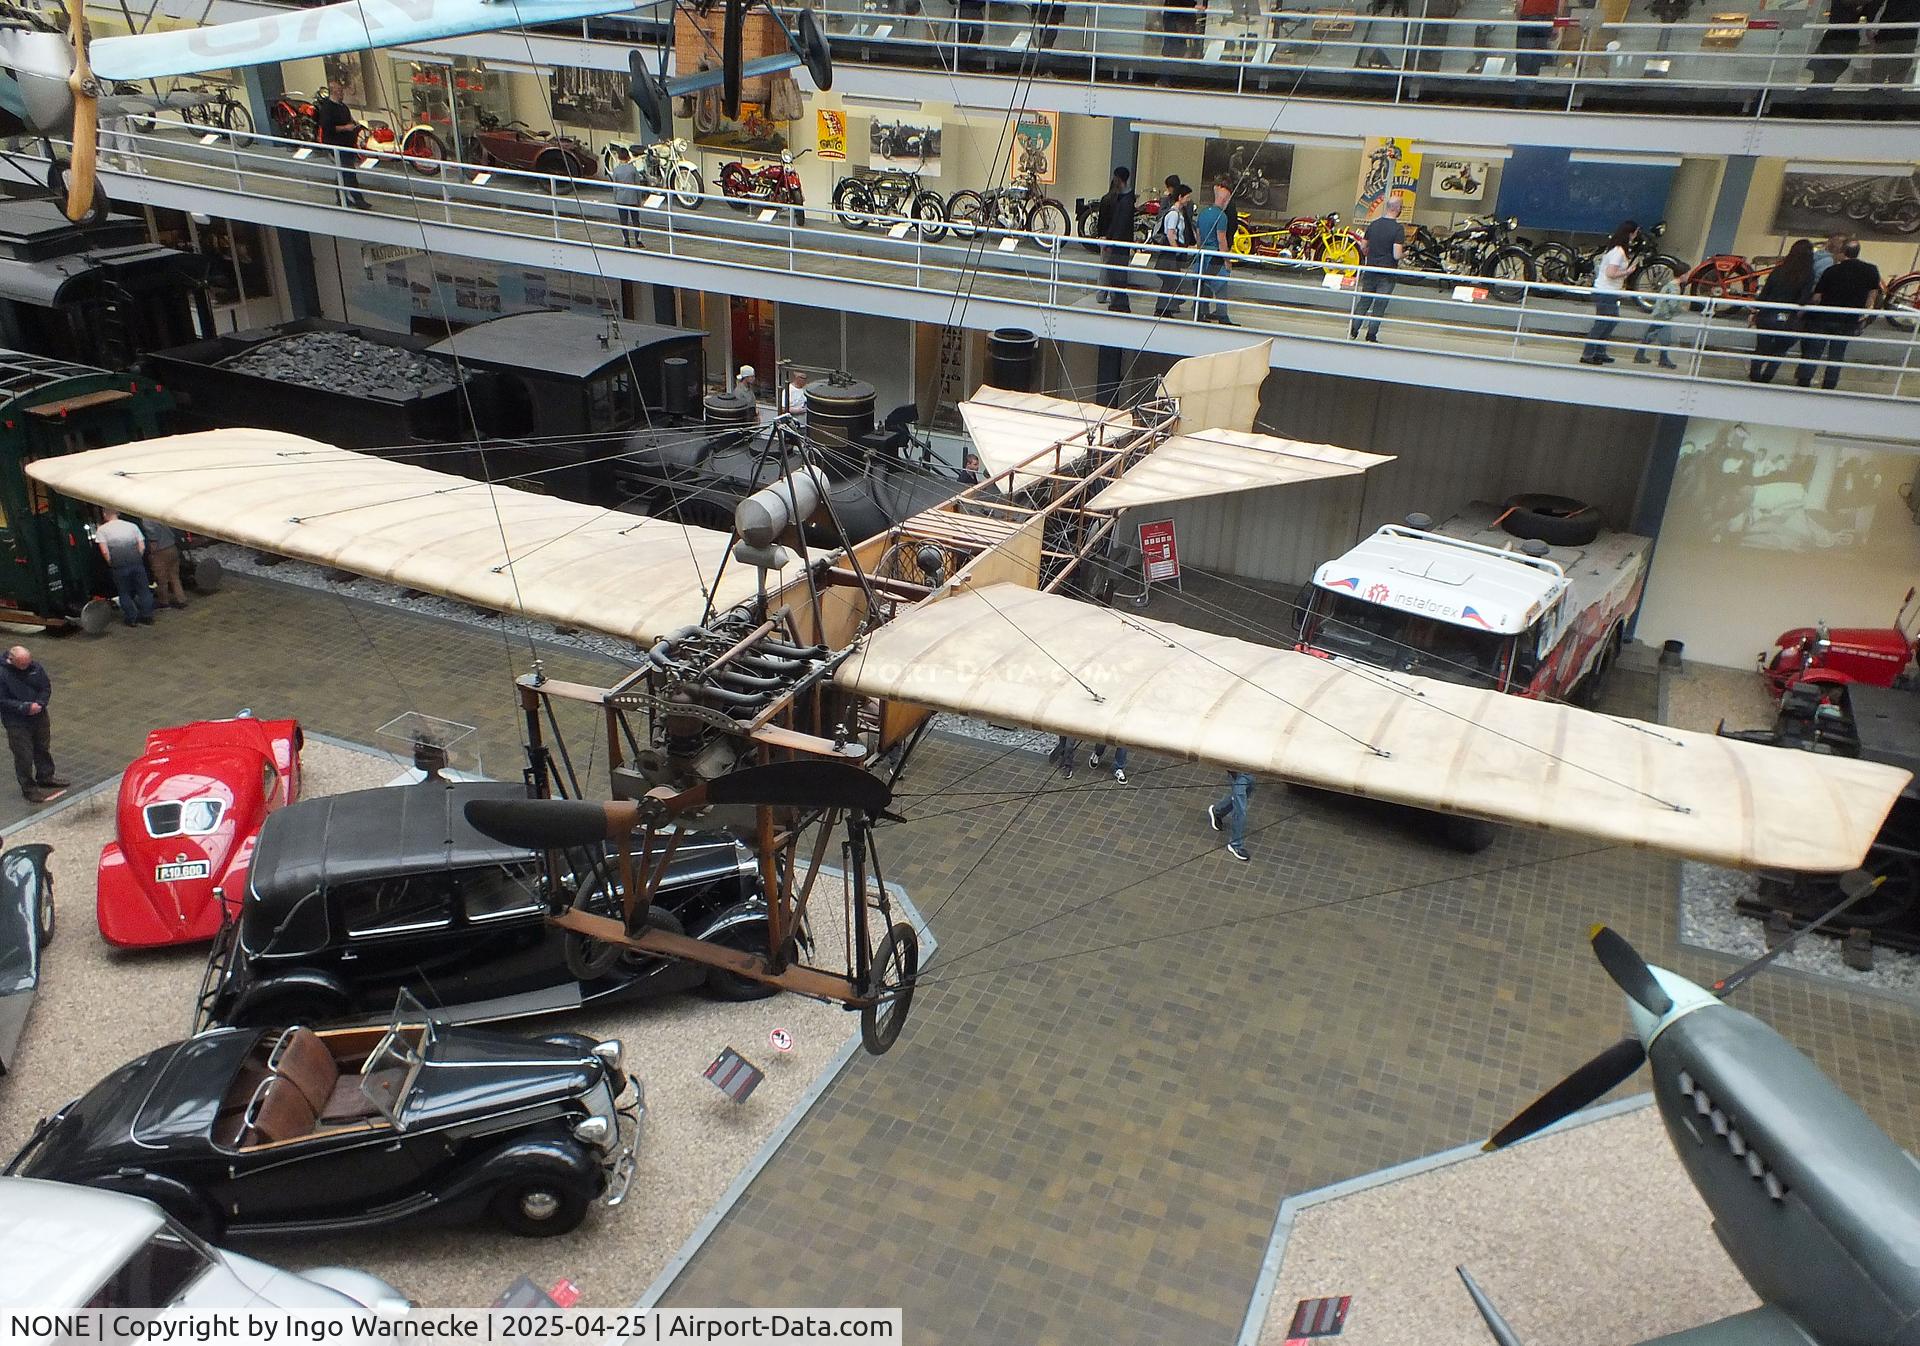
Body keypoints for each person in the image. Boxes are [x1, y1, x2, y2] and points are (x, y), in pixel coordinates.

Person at [1796, 240, 1882, 389]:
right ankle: (1830, 383)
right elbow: (1872, 297)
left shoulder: (1831, 271)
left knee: (1813, 352)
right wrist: (1865, 314)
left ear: (1843, 253)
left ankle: (1804, 381)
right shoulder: (1871, 270)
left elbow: (1817, 297)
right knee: (1837, 354)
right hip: (1849, 319)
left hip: (1824, 317)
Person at [1, 646, 67, 804]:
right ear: (11, 660)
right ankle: (29, 789)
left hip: (39, 716)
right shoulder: (3, 674)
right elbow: (2, 701)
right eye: (22, 665)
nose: (26, 667)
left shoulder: (35, 668)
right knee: (23, 755)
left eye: (28, 663)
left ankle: (46, 776)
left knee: (42, 748)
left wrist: (40, 703)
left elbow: (45, 687)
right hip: (17, 722)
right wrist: (24, 707)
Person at [1748, 238, 1815, 383]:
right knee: (1780, 349)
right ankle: (1767, 377)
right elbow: (1803, 299)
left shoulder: (1778, 270)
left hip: (1767, 314)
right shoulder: (1808, 274)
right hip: (1788, 317)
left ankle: (1755, 373)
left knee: (1761, 346)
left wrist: (1755, 310)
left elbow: (1765, 292)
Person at [1579, 220, 1638, 365]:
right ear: (1631, 233)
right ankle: (1588, 353)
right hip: (1606, 291)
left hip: (1608, 290)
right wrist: (1627, 272)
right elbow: (1611, 273)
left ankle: (1599, 351)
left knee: (1610, 321)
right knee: (1603, 322)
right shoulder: (1618, 252)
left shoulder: (1616, 250)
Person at [1350, 195, 1405, 342]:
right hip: (1387, 273)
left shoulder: (1373, 225)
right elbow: (1396, 254)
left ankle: (1353, 329)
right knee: (1379, 305)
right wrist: (1406, 254)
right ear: (1398, 209)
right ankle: (1371, 335)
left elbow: (1363, 246)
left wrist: (1369, 253)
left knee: (1364, 300)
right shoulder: (1398, 229)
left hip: (1370, 269)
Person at [314, 80, 370, 211]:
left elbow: (348, 120)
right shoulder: (327, 108)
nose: (342, 93)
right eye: (339, 91)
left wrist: (355, 125)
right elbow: (327, 128)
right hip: (336, 146)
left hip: (347, 145)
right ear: (333, 92)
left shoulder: (343, 107)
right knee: (348, 172)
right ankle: (358, 199)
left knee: (344, 172)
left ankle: (341, 197)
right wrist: (346, 127)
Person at [95, 508, 153, 627]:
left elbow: (105, 551)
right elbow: (142, 546)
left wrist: (111, 562)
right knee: (143, 590)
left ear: (105, 514)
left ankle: (131, 618)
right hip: (136, 562)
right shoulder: (132, 526)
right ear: (118, 513)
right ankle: (147, 616)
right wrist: (137, 557)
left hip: (119, 565)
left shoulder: (102, 530)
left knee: (124, 592)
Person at [1192, 177, 1237, 324]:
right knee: (1221, 287)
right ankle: (1223, 316)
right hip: (1214, 257)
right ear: (1225, 199)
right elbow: (1221, 240)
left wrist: (1200, 250)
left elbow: (1198, 235)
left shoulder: (1203, 213)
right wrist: (1227, 260)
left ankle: (1199, 313)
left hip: (1202, 256)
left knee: (1202, 285)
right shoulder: (1222, 217)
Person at [1097, 167, 1137, 312]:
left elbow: (1117, 224)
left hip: (1117, 245)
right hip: (1119, 243)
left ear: (1117, 179)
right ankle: (1118, 302)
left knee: (1114, 273)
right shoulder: (1127, 199)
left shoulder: (1120, 200)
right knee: (1117, 274)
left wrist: (1109, 240)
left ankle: (1119, 303)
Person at [1153, 182, 1195, 317]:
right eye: (1187, 197)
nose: (1189, 200)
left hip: (1170, 254)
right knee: (1171, 281)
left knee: (1171, 281)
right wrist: (1177, 249)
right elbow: (1171, 234)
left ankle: (1165, 308)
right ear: (1180, 197)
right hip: (1170, 255)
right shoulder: (1174, 214)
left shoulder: (1177, 213)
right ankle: (1163, 308)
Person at [1809, 0, 1873, 82]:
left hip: (1843, 37)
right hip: (1838, 37)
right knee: (1826, 72)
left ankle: (1818, 87)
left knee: (1828, 72)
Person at [1633, 274, 1683, 368]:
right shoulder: (1675, 288)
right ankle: (1662, 359)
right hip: (1665, 315)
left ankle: (1641, 354)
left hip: (1659, 313)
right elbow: (1673, 303)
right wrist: (1678, 310)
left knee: (1652, 333)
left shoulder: (1667, 285)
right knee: (1665, 337)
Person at [141, 516, 188, 610]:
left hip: (160, 551)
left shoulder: (147, 519)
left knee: (161, 579)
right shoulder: (161, 514)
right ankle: (181, 599)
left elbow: (153, 538)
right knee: (174, 576)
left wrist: (151, 554)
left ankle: (164, 602)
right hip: (172, 547)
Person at [1206, 771, 1254, 861]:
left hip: (1248, 771)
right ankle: (1235, 844)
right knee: (1240, 811)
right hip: (1239, 774)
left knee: (1243, 795)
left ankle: (1218, 811)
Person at [609, 144, 644, 248]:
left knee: (623, 221)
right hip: (632, 198)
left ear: (619, 158)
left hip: (620, 198)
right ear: (628, 157)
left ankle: (626, 241)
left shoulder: (616, 170)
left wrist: (615, 198)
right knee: (635, 220)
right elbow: (637, 185)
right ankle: (638, 240)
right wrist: (639, 200)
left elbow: (614, 187)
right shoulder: (633, 170)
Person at [1514, 0, 1559, 74]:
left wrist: (1519, 18)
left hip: (1528, 16)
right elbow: (1560, 3)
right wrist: (1556, 23)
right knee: (1537, 56)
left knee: (1524, 56)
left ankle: (1524, 81)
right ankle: (1532, 79)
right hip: (1547, 17)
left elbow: (1520, 3)